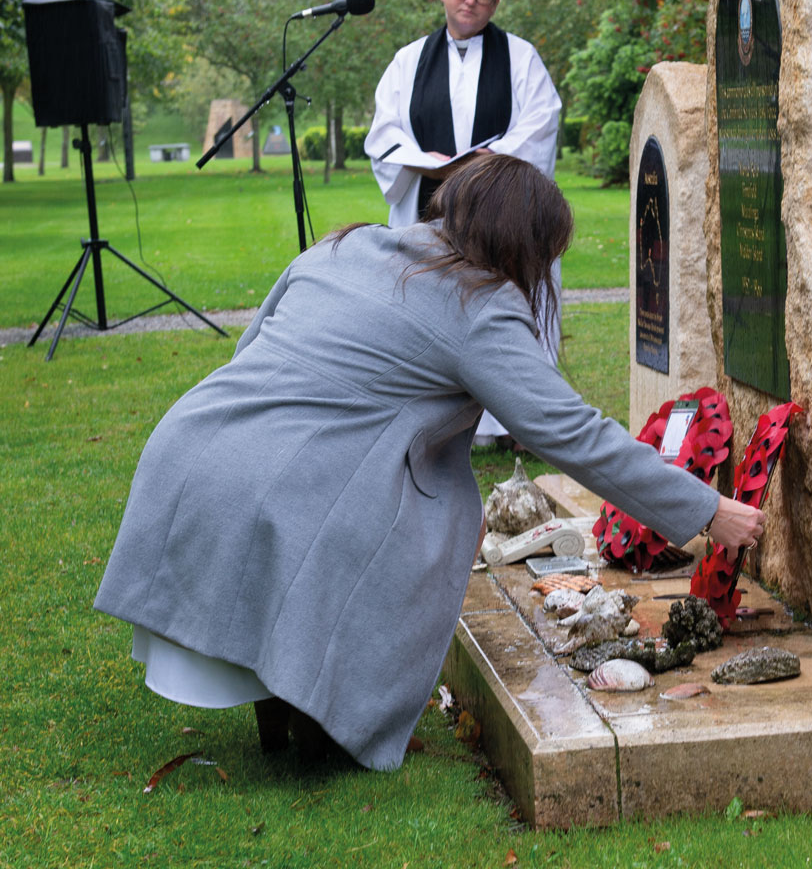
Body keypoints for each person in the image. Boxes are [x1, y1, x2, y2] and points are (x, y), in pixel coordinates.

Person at [94, 155, 764, 773]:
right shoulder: (481, 302)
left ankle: (301, 706)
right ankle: (334, 711)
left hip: (190, 449)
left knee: (409, 487)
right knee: (430, 514)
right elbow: (569, 431)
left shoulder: (346, 245)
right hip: (276, 485)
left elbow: (253, 345)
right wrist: (707, 509)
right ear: (525, 245)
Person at [364, 0, 562, 448]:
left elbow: (541, 123)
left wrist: (484, 162)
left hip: (502, 213)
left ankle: (516, 423)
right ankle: (432, 416)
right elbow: (384, 132)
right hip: (427, 203)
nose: (471, 0)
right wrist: (426, 160)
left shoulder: (520, 57)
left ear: (496, 2)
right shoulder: (408, 61)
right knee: (431, 305)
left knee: (506, 305)